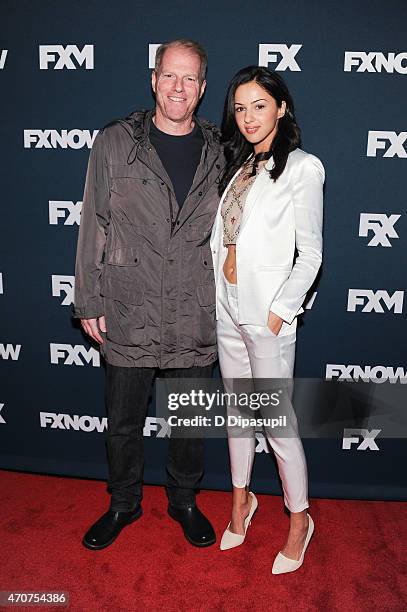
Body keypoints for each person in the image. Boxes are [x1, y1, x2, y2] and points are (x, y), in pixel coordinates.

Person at [73, 39, 224, 550]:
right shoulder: (116, 141)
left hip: (193, 307)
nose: (178, 87)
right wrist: (89, 298)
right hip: (129, 303)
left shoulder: (220, 149)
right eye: (169, 75)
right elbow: (94, 220)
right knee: (123, 422)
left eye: (190, 79)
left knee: (187, 422)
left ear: (202, 88)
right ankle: (123, 503)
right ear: (154, 79)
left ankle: (184, 501)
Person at [210, 66, 324, 573]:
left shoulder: (302, 167)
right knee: (238, 415)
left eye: (259, 105)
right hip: (228, 310)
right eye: (240, 107)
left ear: (281, 108)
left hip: (266, 316)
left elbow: (312, 253)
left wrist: (280, 312)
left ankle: (299, 519)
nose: (248, 117)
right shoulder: (238, 167)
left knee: (277, 422)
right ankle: (242, 502)